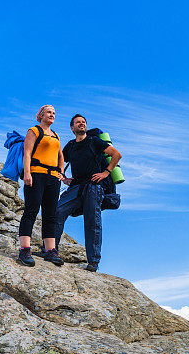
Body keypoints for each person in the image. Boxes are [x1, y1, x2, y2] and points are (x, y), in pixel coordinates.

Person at [54, 114, 121, 272]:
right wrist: (63, 177)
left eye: (83, 122)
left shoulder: (94, 141)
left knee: (92, 222)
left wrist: (105, 173)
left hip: (93, 186)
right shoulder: (70, 145)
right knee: (57, 211)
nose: (81, 124)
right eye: (78, 122)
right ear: (72, 128)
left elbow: (116, 155)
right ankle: (50, 250)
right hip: (76, 186)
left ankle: (93, 262)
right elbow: (60, 161)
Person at [18, 105, 66, 267]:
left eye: (54, 113)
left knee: (51, 214)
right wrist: (27, 173)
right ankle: (24, 249)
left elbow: (61, 156)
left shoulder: (56, 135)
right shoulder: (34, 131)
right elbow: (27, 153)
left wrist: (61, 172)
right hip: (36, 174)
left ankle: (50, 251)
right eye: (49, 112)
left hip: (53, 178)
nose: (52, 115)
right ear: (41, 115)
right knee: (31, 210)